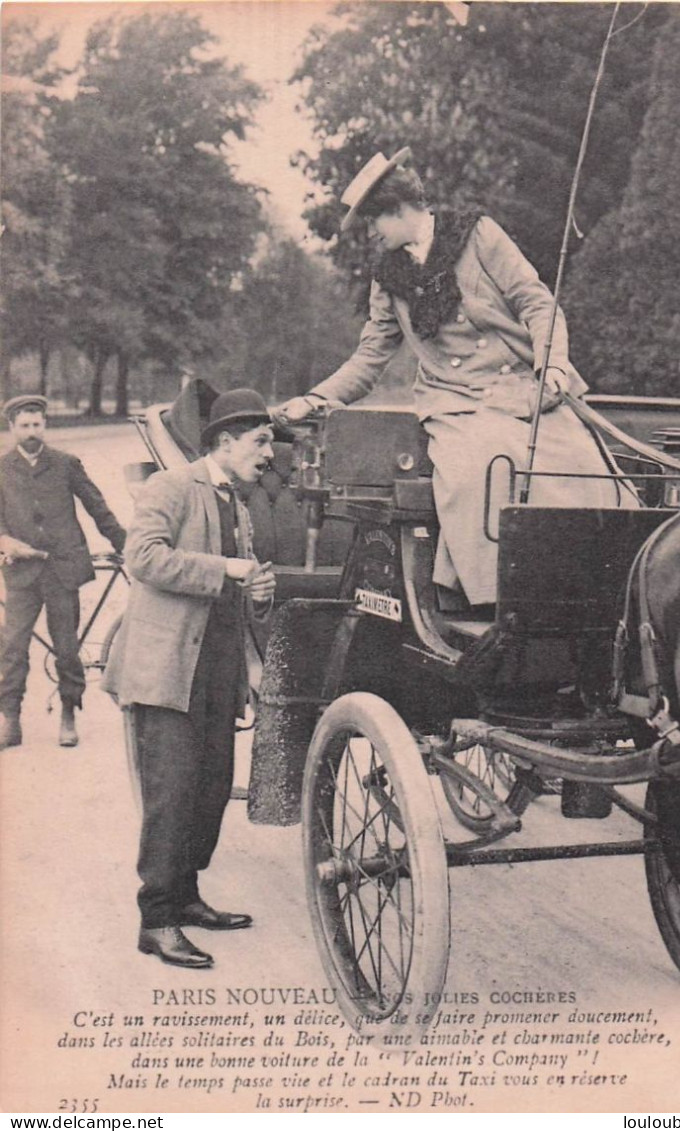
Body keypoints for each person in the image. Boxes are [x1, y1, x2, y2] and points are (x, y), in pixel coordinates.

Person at [276, 148, 636, 611]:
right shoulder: (387, 278)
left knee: (582, 467)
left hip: (524, 389)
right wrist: (315, 398)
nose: (371, 234)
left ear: (399, 209)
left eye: (373, 221)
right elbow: (370, 358)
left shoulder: (479, 235)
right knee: (480, 471)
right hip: (455, 404)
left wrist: (554, 368)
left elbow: (537, 303)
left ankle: (599, 594)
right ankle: (494, 604)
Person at [102, 388, 276, 969]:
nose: (269, 452)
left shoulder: (240, 506)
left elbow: (235, 598)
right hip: (166, 672)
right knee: (172, 796)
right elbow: (143, 559)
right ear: (224, 442)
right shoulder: (171, 487)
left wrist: (255, 593)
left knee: (209, 792)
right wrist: (225, 568)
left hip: (216, 673)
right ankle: (156, 920)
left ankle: (187, 896)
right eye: (260, 440)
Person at [0, 394, 126, 750]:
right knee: (12, 648)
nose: (31, 432)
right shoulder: (2, 467)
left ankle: (69, 713)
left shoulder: (66, 463)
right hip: (22, 573)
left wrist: (126, 545)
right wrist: (4, 541)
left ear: (46, 425)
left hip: (61, 570)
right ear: (12, 428)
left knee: (67, 648)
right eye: (24, 426)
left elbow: (97, 507)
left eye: (37, 424)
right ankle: (10, 719)